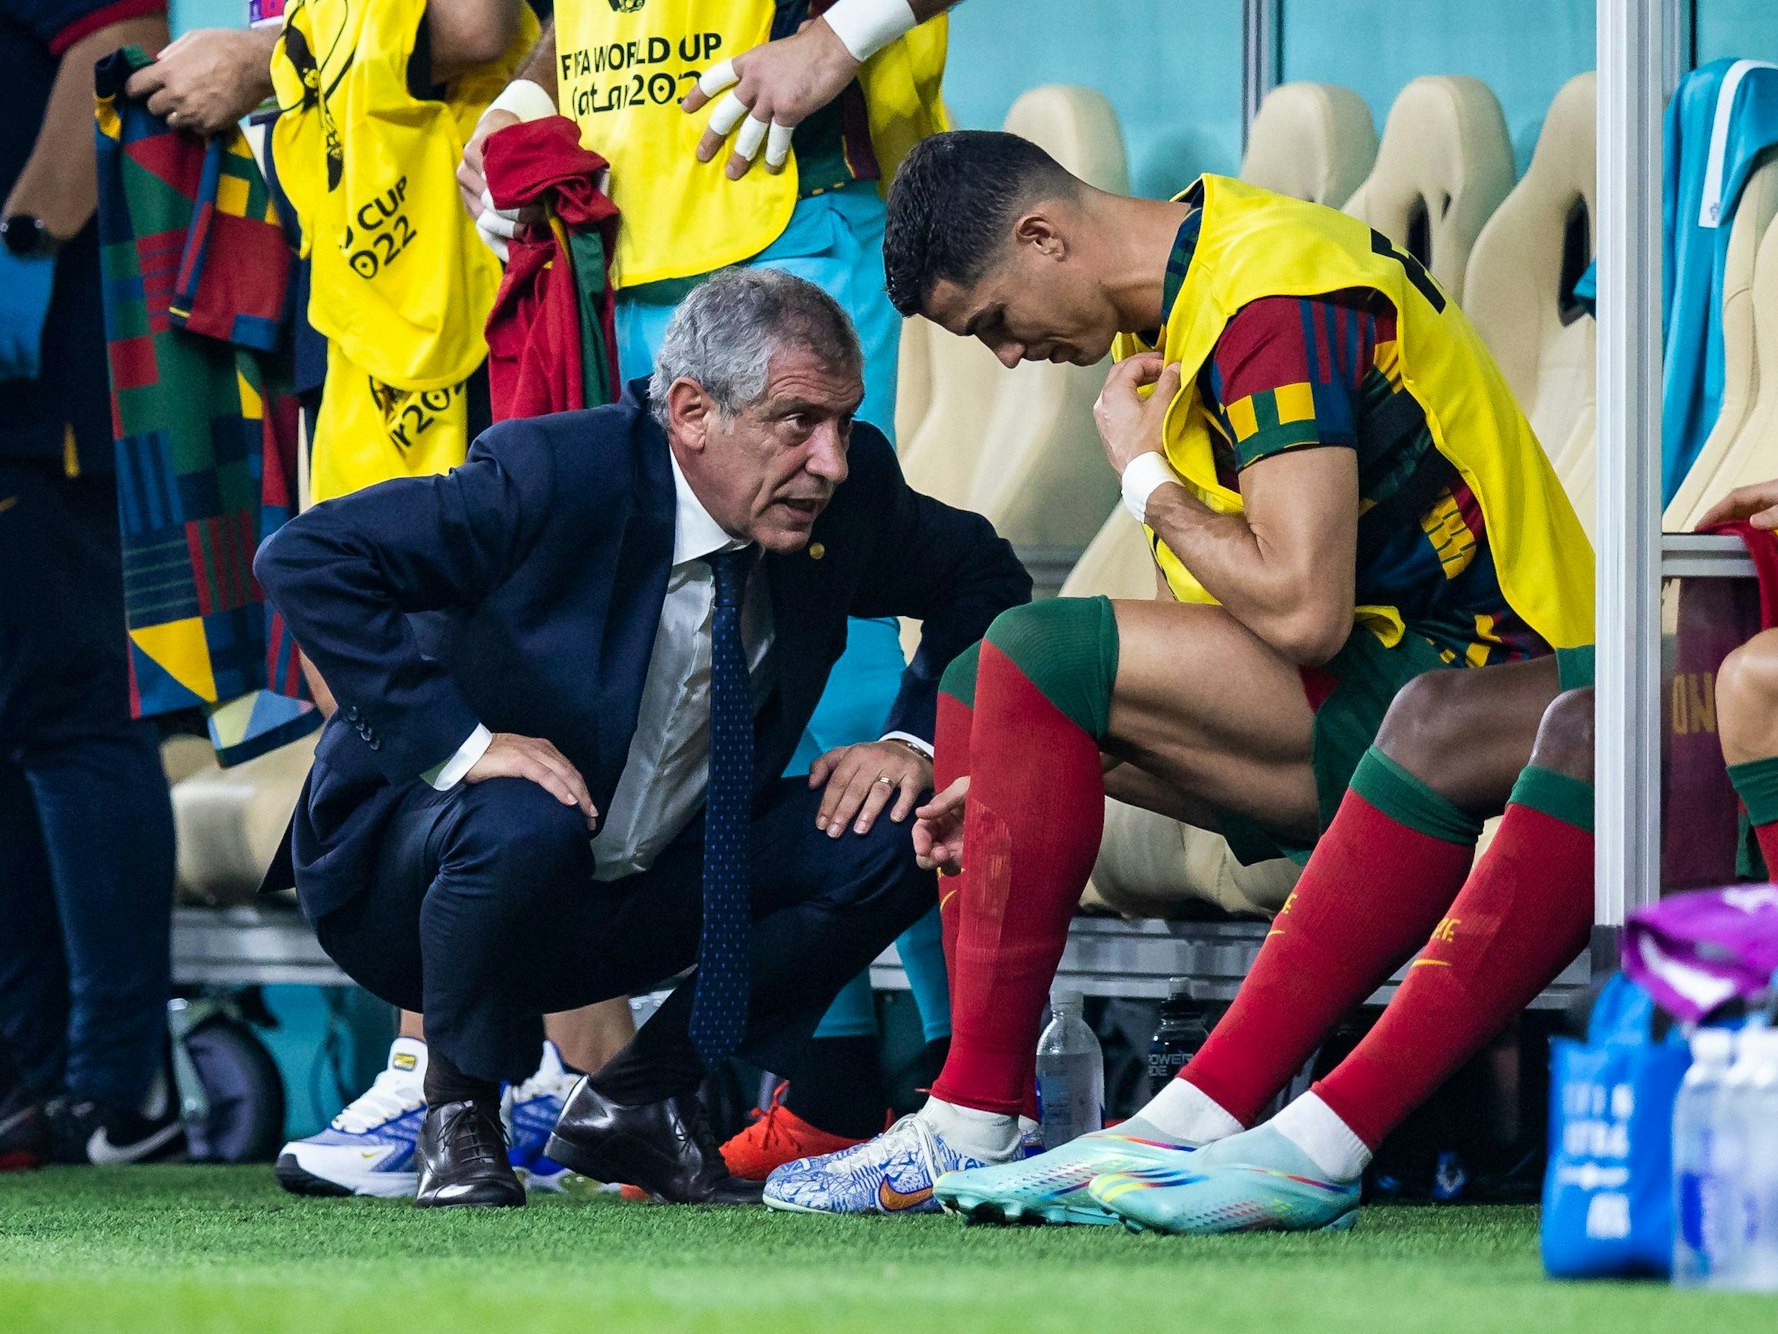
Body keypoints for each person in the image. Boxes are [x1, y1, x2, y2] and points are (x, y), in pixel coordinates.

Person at [762, 129, 1598, 1224]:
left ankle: (975, 1114)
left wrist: (1146, 479)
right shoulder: (1179, 309)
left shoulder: (1270, 300)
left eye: (995, 321)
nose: (1007, 357)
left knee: (1031, 648)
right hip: (1381, 678)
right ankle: (974, 1108)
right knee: (981, 682)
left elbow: (1301, 610)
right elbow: (1239, 620)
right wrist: (1015, 782)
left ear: (1042, 237)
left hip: (1497, 681)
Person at [253, 268, 1029, 1209]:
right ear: (693, 412)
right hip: (409, 894)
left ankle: (643, 1097)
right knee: (520, 812)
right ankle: (456, 1115)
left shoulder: (844, 496)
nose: (829, 460)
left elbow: (984, 578)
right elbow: (309, 556)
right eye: (797, 423)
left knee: (902, 833)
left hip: (629, 893)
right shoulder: (556, 472)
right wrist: (462, 745)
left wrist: (912, 741)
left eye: (841, 422)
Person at [125, 6, 639, 1199]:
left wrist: (267, 55)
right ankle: (563, 1081)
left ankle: (468, 1071)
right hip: (370, 332)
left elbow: (475, 24)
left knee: (454, 697)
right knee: (385, 700)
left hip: (463, 317)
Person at [455, 0, 964, 1176]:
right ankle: (829, 1081)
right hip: (639, 235)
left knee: (837, 647)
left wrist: (839, 39)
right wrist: (529, 98)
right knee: (722, 659)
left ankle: (968, 1071)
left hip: (789, 207)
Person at [0, 0, 184, 1167]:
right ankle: (30, 1078)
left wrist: (17, 259)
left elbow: (121, 38)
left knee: (72, 716)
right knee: (14, 727)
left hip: (43, 380)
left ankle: (117, 1082)